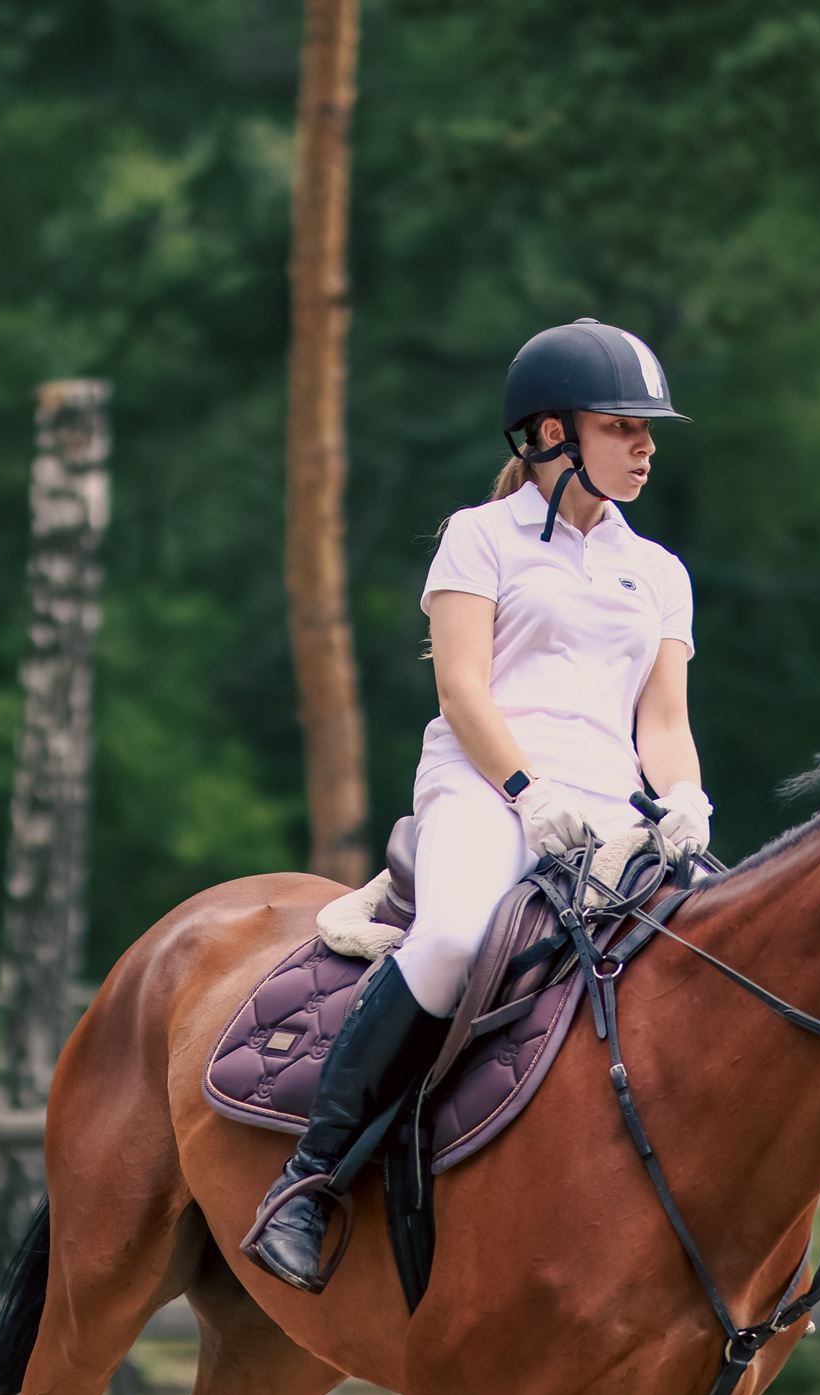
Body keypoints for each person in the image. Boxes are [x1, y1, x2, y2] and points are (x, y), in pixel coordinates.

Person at [245, 318, 712, 1292]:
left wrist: (684, 797)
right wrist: (527, 795)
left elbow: (662, 720)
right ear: (549, 433)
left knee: (712, 957)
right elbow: (462, 689)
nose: (647, 446)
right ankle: (310, 1179)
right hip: (483, 788)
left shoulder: (659, 571)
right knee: (457, 938)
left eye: (647, 430)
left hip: (611, 808)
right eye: (623, 425)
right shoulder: (478, 537)